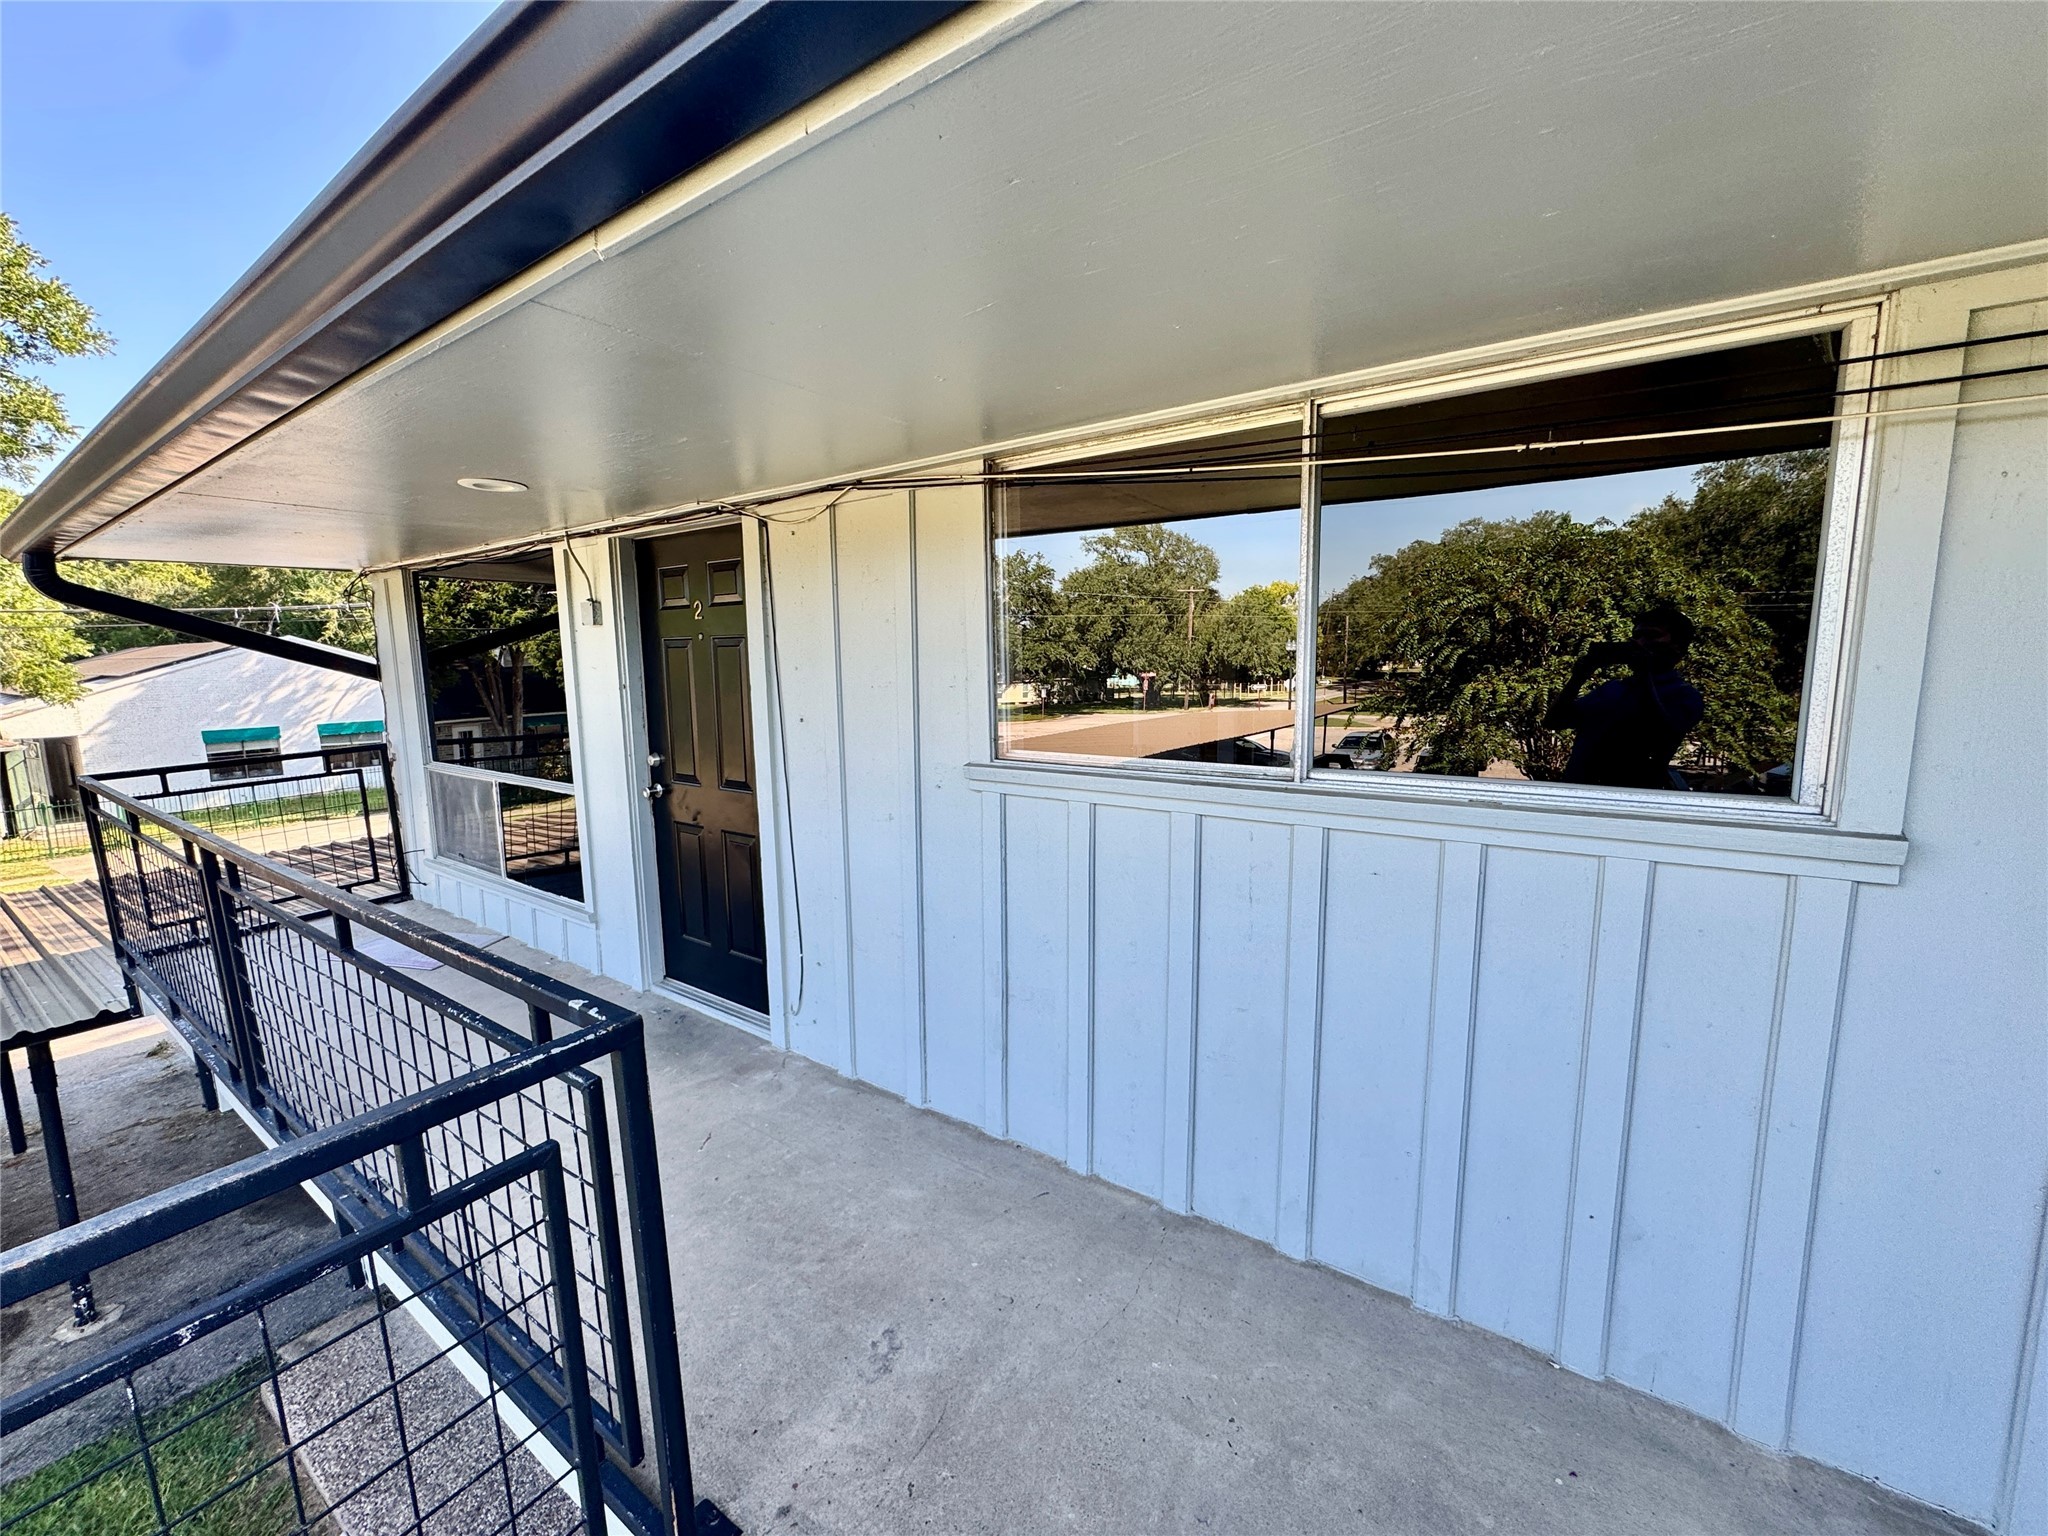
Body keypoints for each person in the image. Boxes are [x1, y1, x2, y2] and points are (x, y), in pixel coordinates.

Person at [1544, 601, 1704, 789]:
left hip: (1632, 796)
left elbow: (1660, 733)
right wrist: (1578, 677)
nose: (1640, 643)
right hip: (1580, 792)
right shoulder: (1612, 689)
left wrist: (1647, 672)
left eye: (1652, 635)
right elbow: (1555, 721)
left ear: (1678, 647)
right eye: (1636, 636)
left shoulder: (1684, 696)